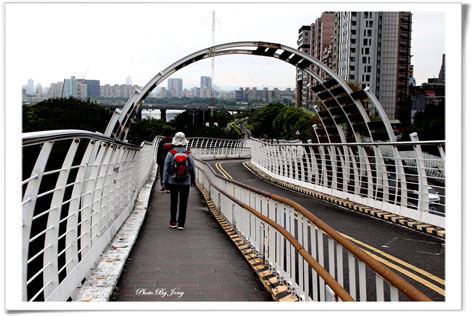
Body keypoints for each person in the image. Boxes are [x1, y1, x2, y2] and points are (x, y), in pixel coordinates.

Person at [162, 132, 196, 230]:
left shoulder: (170, 153)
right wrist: (193, 180)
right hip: (186, 182)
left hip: (173, 182)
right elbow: (192, 168)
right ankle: (181, 224)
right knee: (183, 202)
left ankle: (173, 222)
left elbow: (166, 168)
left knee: (173, 202)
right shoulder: (188, 153)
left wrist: (165, 182)